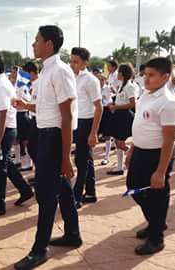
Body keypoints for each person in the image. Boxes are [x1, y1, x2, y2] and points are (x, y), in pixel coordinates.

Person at [13, 25, 81, 270]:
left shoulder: (60, 71)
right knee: (61, 189)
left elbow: (66, 117)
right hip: (45, 135)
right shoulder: (46, 72)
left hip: (53, 138)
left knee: (46, 194)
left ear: (49, 44)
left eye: (37, 40)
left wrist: (66, 157)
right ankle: (72, 233)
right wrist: (25, 106)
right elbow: (46, 108)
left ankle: (39, 249)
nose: (33, 44)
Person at [125, 57, 175, 256]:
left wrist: (161, 171)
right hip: (140, 151)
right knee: (133, 187)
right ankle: (156, 223)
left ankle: (156, 238)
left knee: (157, 194)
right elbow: (140, 125)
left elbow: (169, 140)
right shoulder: (146, 95)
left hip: (157, 155)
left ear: (165, 77)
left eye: (151, 75)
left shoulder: (169, 103)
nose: (145, 79)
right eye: (145, 74)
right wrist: (132, 149)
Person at [0, 51, 34, 219]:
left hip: (3, 129)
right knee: (6, 164)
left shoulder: (1, 85)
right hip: (4, 129)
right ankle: (25, 190)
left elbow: (3, 114)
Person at [69, 47, 103, 208]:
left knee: (81, 160)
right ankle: (91, 192)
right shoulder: (72, 77)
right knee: (86, 159)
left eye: (76, 61)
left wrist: (94, 132)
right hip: (75, 122)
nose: (72, 64)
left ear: (85, 63)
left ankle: (76, 196)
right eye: (71, 61)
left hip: (86, 122)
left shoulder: (90, 80)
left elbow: (99, 107)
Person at [107, 63, 136, 175]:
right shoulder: (121, 86)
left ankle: (132, 155)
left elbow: (132, 104)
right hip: (118, 115)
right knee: (117, 141)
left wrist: (116, 107)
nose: (117, 74)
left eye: (119, 72)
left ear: (122, 74)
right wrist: (114, 103)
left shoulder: (129, 86)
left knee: (120, 143)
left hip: (124, 116)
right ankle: (119, 167)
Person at [22, 61, 40, 185]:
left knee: (34, 149)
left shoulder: (39, 85)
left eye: (25, 74)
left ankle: (41, 175)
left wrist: (25, 105)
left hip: (40, 120)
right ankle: (39, 173)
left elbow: (38, 106)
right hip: (33, 119)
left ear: (32, 73)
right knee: (32, 148)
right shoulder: (33, 85)